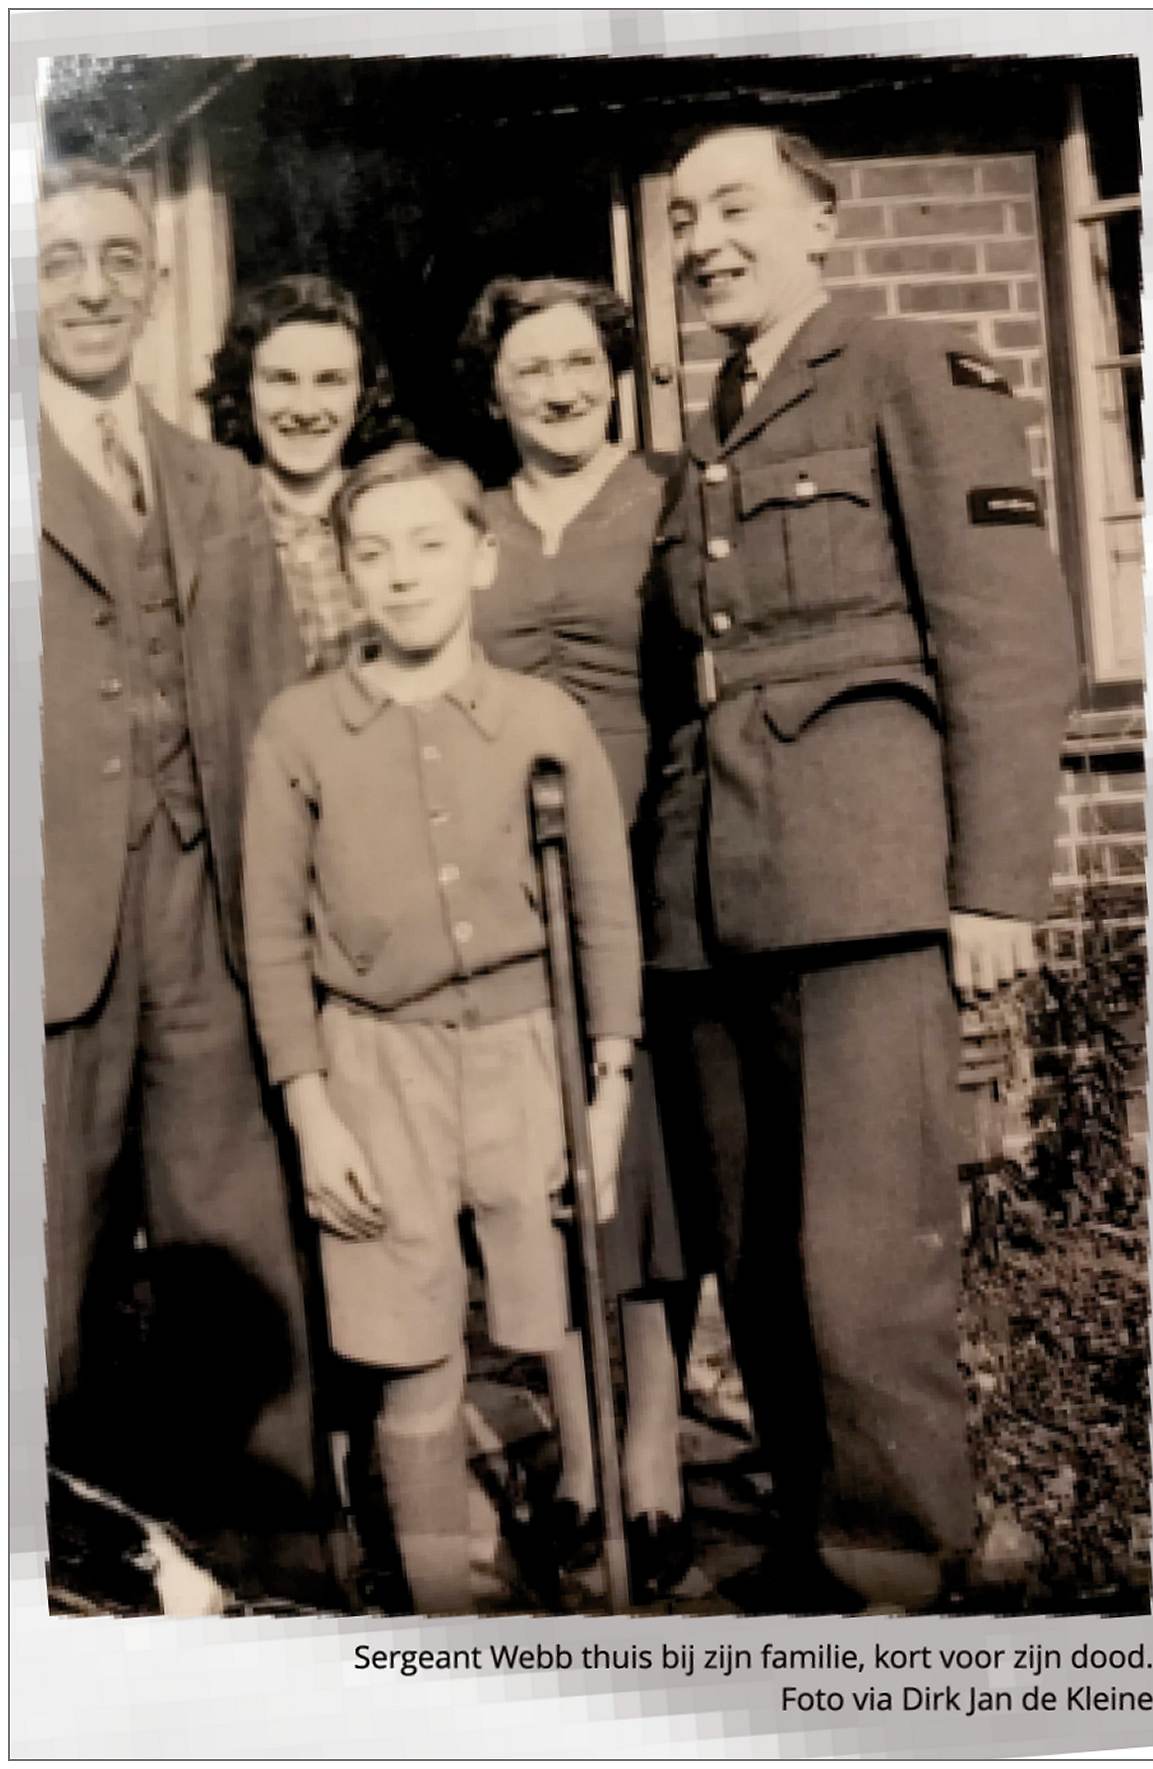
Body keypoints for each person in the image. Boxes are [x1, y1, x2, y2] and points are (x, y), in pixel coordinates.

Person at [642, 123, 1077, 1613]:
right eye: (684, 216)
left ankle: (904, 1572)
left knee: (860, 1256)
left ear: (819, 216)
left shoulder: (908, 366)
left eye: (737, 207)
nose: (704, 239)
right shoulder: (711, 418)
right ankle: (821, 1533)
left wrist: (998, 887)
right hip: (718, 890)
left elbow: (1008, 633)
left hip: (868, 879)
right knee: (758, 1255)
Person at [241, 441, 641, 1615]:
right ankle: (440, 1622)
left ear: (480, 556)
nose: (402, 574)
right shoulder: (301, 729)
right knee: (410, 1355)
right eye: (373, 552)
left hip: (528, 1055)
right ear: (346, 573)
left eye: (428, 545)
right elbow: (271, 939)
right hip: (373, 1067)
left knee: (555, 1309)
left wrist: (605, 1096)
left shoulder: (541, 717)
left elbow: (606, 920)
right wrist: (313, 1112)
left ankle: (595, 1548)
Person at [36, 157, 323, 1600]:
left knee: (234, 1223)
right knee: (47, 1237)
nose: (91, 286)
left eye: (116, 260)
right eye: (58, 260)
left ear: (153, 284)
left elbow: (274, 706)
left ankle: (274, 1543)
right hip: (47, 915)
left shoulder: (213, 477)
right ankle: (50, 1559)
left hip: (206, 908)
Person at [457, 274, 692, 1601]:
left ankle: (654, 1452)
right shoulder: (469, 516)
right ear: (493, 391)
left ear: (615, 371)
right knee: (527, 1151)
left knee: (639, 1163)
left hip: (648, 851)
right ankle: (583, 1453)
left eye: (581, 362)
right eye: (530, 369)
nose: (559, 387)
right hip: (499, 871)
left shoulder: (666, 495)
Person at [202, 273, 411, 675]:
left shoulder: (398, 516)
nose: (305, 408)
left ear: (363, 392)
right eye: (281, 379)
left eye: (330, 381)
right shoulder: (207, 529)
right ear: (246, 389)